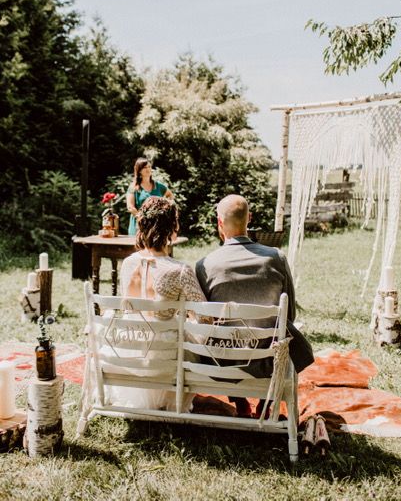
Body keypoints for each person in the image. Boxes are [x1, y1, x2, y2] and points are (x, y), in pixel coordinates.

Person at [195, 194, 314, 418]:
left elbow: (203, 319)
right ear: (249, 219)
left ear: (219, 223)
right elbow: (289, 313)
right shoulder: (276, 258)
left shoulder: (205, 265)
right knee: (278, 331)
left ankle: (239, 401)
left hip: (222, 360)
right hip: (267, 361)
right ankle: (265, 402)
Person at [111, 196, 206, 412]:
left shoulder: (128, 264)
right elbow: (204, 316)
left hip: (131, 351)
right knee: (192, 336)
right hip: (163, 358)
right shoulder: (179, 270)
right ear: (173, 227)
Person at [126, 158, 173, 235]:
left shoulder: (159, 186)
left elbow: (170, 195)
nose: (148, 169)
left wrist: (166, 208)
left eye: (149, 167)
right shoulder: (133, 187)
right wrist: (142, 218)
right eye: (145, 167)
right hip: (139, 226)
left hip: (157, 226)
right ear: (139, 170)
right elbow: (130, 207)